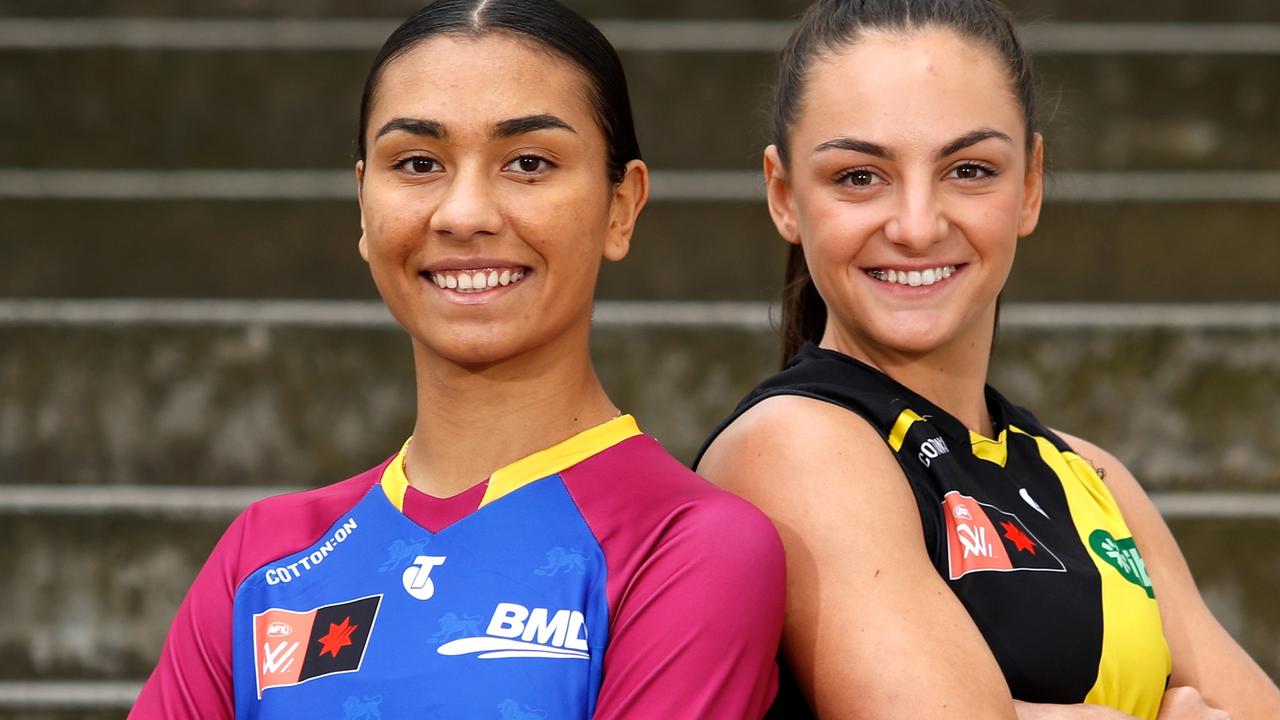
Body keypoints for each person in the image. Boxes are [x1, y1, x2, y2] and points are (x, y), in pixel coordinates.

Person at [131, 1, 785, 717]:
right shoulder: (262, 558)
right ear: (361, 202)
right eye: (417, 164)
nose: (463, 213)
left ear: (621, 206)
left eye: (529, 163)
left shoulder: (689, 548)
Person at [695, 1, 1280, 719]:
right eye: (858, 176)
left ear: (1030, 183)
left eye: (968, 169)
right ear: (784, 196)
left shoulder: (1092, 478)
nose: (916, 226)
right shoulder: (794, 446)